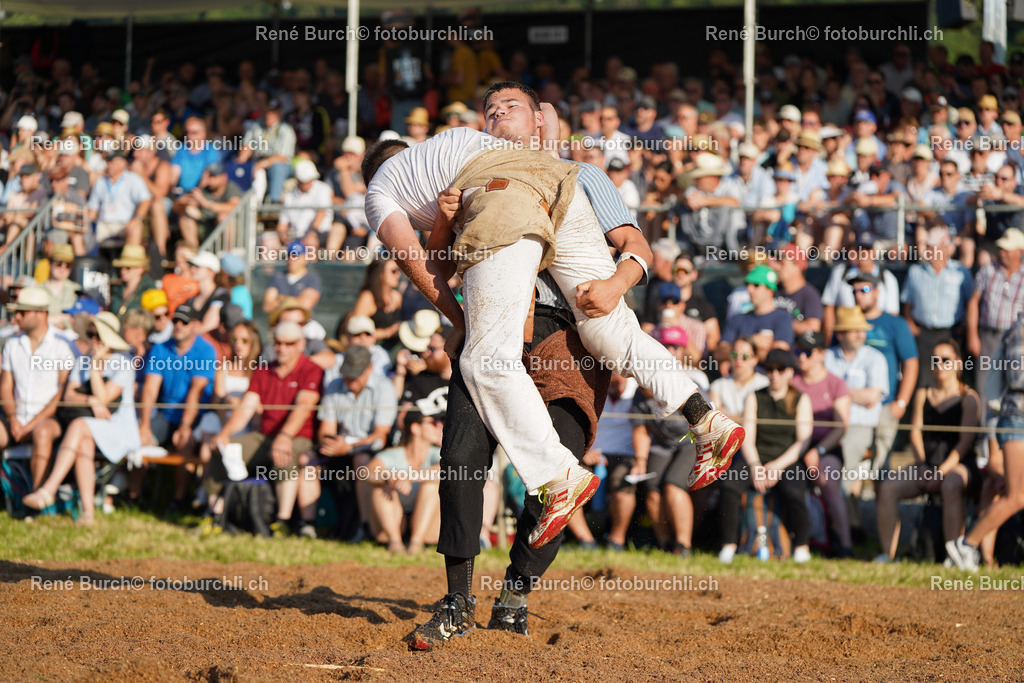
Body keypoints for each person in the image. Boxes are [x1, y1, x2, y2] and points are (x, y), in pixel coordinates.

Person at [363, 88, 742, 543]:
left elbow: (415, 263)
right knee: (608, 327)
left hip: (503, 191)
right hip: (557, 180)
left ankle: (558, 474)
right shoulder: (457, 148)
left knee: (484, 359)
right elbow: (544, 120)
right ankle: (705, 418)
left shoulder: (380, 186)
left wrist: (461, 322)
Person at [21, 313, 138, 524]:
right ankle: (88, 512)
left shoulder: (124, 363)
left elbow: (104, 398)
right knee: (83, 440)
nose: (92, 339)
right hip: (91, 427)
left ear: (107, 338)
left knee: (79, 426)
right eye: (90, 334)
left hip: (117, 429)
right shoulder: (83, 360)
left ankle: (49, 489)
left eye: (97, 335)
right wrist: (90, 401)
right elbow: (69, 396)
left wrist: (94, 369)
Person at [208, 321, 322, 538]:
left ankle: (282, 521)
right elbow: (246, 408)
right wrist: (224, 434)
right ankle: (214, 515)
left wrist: (285, 436)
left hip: (298, 437)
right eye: (278, 343)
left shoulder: (311, 370)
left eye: (289, 344)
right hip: (264, 436)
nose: (282, 348)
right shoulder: (263, 370)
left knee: (284, 455)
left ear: (301, 344)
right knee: (222, 449)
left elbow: (303, 408)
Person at [876, 339, 980, 563]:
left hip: (958, 465)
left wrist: (940, 472)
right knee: (887, 488)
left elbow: (964, 443)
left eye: (946, 360)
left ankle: (954, 558)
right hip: (927, 464)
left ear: (958, 364)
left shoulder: (969, 398)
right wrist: (923, 466)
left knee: (951, 485)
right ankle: (887, 555)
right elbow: (915, 433)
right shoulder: (923, 393)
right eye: (935, 360)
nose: (939, 364)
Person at [719, 349, 813, 563]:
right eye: (770, 369)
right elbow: (747, 438)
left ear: (790, 372)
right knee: (729, 486)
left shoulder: (801, 399)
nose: (774, 374)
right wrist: (756, 466)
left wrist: (777, 467)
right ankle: (729, 545)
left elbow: (803, 441)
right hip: (756, 458)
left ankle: (801, 547)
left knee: (794, 491)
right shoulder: (755, 397)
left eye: (780, 369)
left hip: (788, 460)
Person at [632, 327, 709, 555]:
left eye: (675, 347)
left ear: (683, 350)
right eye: (665, 346)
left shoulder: (693, 379)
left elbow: (707, 419)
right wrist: (640, 460)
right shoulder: (643, 382)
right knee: (652, 487)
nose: (670, 351)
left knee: (673, 484)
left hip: (691, 441)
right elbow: (641, 429)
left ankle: (684, 545)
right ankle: (664, 544)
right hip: (662, 444)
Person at [1, 288, 75, 488]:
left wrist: (31, 424)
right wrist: (12, 418)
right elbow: (6, 387)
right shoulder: (12, 344)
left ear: (41, 313)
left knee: (42, 432)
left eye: (22, 312)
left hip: (49, 419)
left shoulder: (63, 345)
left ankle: (38, 497)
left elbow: (61, 395)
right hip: (16, 418)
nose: (16, 317)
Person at [791, 330, 853, 557]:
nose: (801, 357)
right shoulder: (792, 382)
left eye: (807, 352)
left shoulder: (836, 384)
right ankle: (796, 543)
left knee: (828, 479)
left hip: (827, 447)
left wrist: (818, 450)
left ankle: (845, 544)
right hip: (797, 445)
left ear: (821, 354)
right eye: (798, 351)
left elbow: (841, 427)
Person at [824, 307, 890, 498]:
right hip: (827, 424)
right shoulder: (826, 357)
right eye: (854, 330)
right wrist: (855, 395)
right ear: (840, 334)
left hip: (860, 427)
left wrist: (836, 391)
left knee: (845, 463)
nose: (861, 334)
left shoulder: (875, 358)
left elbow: (871, 397)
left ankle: (841, 516)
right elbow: (819, 392)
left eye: (862, 330)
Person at [366, 412, 443, 553]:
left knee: (432, 483)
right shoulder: (393, 454)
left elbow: (446, 470)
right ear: (415, 428)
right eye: (434, 423)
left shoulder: (438, 454)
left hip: (428, 528)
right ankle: (395, 542)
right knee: (380, 486)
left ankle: (416, 543)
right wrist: (389, 477)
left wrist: (409, 477)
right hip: (395, 521)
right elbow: (368, 472)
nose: (440, 427)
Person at [87, 151, 152, 247]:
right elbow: (93, 208)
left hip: (125, 224)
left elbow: (145, 200)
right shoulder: (101, 181)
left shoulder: (133, 179)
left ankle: (131, 260)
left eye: (112, 162)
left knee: (135, 228)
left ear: (123, 163)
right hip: (103, 224)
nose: (109, 165)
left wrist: (137, 218)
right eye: (108, 162)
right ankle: (87, 259)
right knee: (85, 232)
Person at [350, 257, 403, 351]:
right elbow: (356, 331)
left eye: (398, 270)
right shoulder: (368, 297)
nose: (398, 274)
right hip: (371, 350)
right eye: (393, 271)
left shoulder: (397, 296)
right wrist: (387, 332)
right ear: (380, 274)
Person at [263, 241, 323, 316]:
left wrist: (281, 299)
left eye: (295, 256)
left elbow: (306, 305)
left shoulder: (312, 279)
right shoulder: (277, 277)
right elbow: (268, 307)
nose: (291, 260)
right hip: (279, 323)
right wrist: (297, 300)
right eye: (289, 255)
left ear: (304, 258)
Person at [109, 245, 156, 318]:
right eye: (121, 267)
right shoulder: (117, 288)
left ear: (140, 269)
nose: (123, 271)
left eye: (128, 268)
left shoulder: (149, 289)